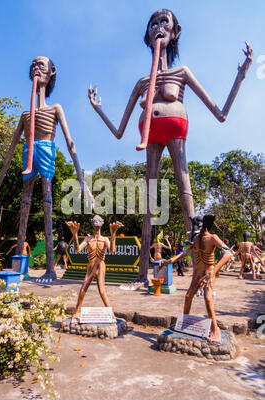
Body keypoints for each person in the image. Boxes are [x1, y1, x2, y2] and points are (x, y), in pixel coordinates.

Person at [88, 8, 253, 283]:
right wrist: (98, 109)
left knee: (184, 189)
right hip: (149, 136)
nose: (158, 27)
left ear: (175, 31)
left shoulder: (181, 72)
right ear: (147, 34)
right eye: (153, 24)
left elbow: (220, 113)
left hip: (176, 128)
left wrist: (241, 75)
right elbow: (119, 131)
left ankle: (199, 270)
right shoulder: (142, 82)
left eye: (164, 22)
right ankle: (142, 273)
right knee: (149, 198)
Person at [0, 56, 92, 284]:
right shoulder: (26, 115)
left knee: (47, 202)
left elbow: (69, 141)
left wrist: (81, 180)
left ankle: (50, 269)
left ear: (52, 71)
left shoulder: (55, 108)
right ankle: (19, 265)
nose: (36, 68)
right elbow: (10, 150)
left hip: (46, 149)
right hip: (29, 150)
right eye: (33, 65)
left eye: (41, 65)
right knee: (24, 203)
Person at [158, 215, 234, 344]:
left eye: (197, 225)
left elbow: (228, 254)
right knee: (188, 296)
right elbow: (184, 253)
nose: (195, 228)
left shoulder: (213, 238)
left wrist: (213, 271)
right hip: (197, 273)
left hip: (208, 272)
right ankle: (184, 323)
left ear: (204, 224)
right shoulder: (196, 239)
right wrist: (168, 261)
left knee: (207, 297)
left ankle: (215, 329)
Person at [66, 216, 123, 324]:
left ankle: (110, 313)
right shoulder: (88, 239)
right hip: (91, 266)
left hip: (100, 265)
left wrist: (113, 234)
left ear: (102, 223)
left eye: (99, 221)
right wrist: (75, 235)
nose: (97, 223)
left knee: (102, 290)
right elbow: (77, 250)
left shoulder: (105, 239)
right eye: (94, 221)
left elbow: (112, 250)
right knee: (83, 288)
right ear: (92, 223)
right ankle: (77, 312)